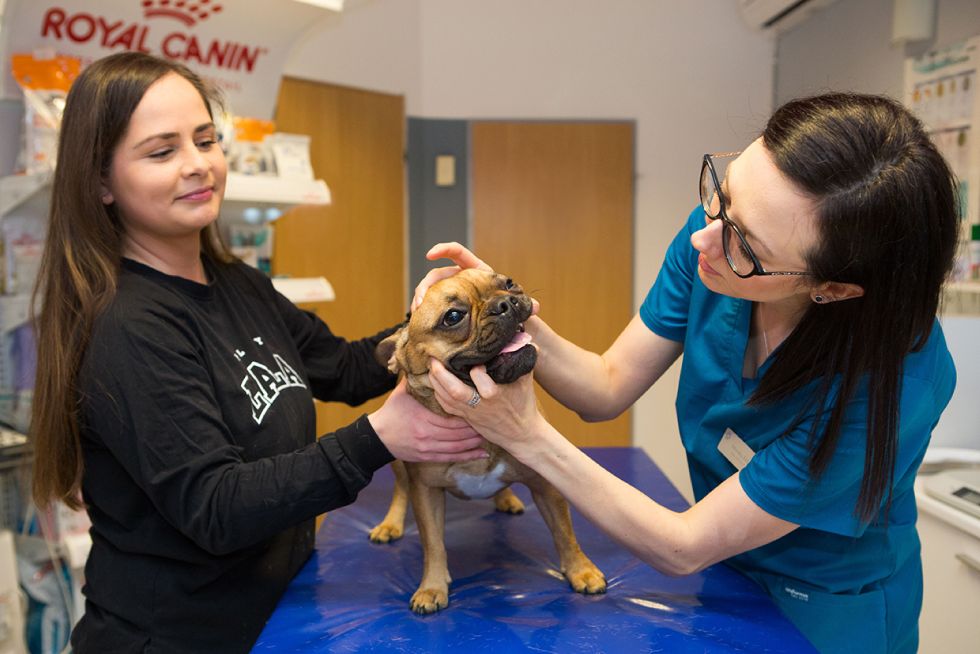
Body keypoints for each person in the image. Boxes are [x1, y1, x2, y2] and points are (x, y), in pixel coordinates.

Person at [420, 92, 959, 654]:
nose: (704, 237)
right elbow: (605, 387)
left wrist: (522, 434)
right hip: (725, 574)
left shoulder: (894, 384)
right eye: (721, 194)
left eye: (745, 243)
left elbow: (684, 546)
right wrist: (505, 310)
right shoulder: (717, 243)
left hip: (828, 604)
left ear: (832, 288)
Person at [29, 51, 486, 653]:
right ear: (101, 182)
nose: (199, 165)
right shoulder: (126, 327)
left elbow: (346, 366)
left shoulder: (235, 283)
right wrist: (378, 438)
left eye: (206, 139)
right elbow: (216, 507)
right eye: (163, 151)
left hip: (274, 617)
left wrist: (447, 320)